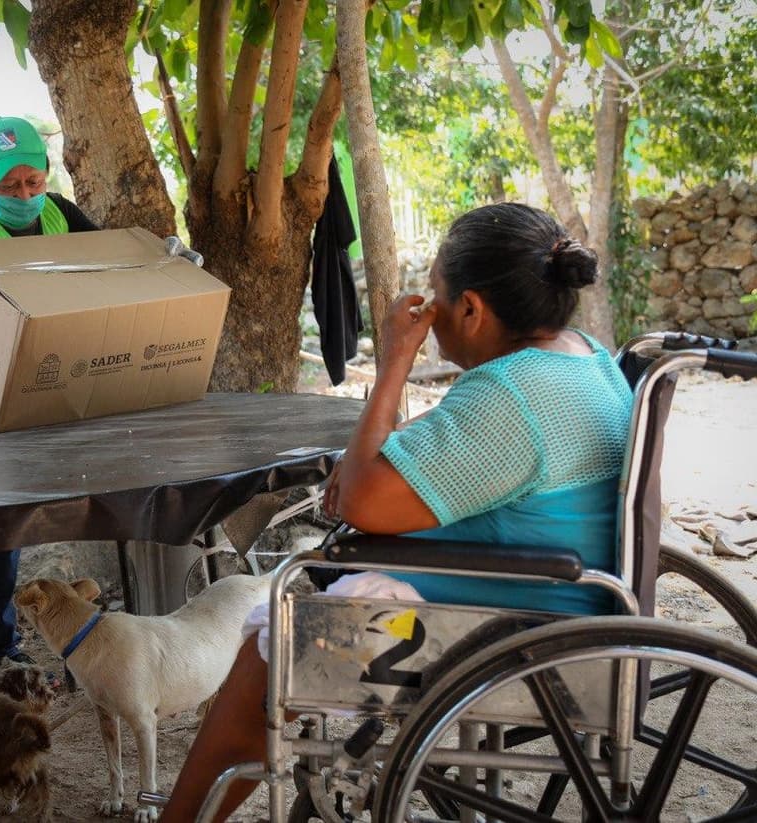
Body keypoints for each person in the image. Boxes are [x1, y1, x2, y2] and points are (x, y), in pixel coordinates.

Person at [160, 202, 634, 820]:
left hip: (505, 632)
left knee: (269, 649)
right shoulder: (585, 359)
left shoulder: (512, 396)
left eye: (437, 295)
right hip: (555, 607)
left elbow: (358, 498)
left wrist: (394, 363)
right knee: (298, 602)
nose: (429, 313)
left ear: (472, 308)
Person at [0, 115, 201, 678]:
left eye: (32, 182)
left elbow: (110, 263)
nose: (23, 196)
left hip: (22, 376)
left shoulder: (59, 214)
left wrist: (163, 263)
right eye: (8, 186)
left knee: (9, 510)